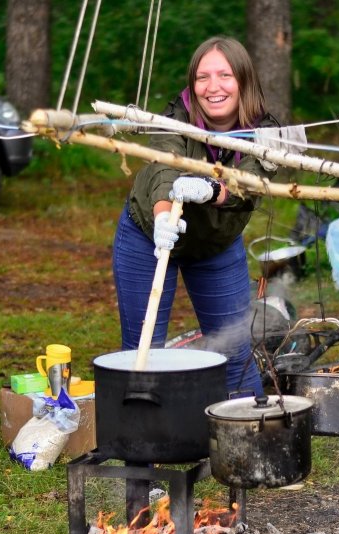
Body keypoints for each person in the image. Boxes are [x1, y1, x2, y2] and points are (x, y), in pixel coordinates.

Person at [112, 36, 279, 397]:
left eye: (224, 75)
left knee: (235, 353)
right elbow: (164, 166)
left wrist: (213, 190)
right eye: (203, 77)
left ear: (244, 81)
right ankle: (142, 449)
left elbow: (250, 184)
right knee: (143, 351)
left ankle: (249, 445)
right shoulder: (177, 115)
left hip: (215, 246)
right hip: (148, 235)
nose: (213, 87)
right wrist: (162, 217)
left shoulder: (267, 132)